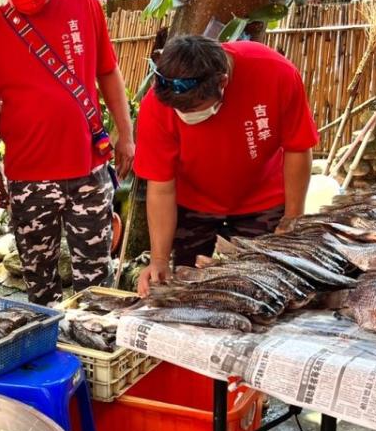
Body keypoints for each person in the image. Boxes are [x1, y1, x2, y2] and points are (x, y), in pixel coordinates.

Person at [0, 0, 134, 307]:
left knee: (96, 282)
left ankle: (95, 357)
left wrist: (126, 133)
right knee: (38, 282)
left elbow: (108, 72)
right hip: (29, 176)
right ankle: (48, 357)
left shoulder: (83, 3)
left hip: (89, 169)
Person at [134, 35, 318, 296]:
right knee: (188, 289)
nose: (185, 117)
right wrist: (160, 259)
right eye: (179, 110)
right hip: (193, 202)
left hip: (262, 198)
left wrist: (292, 217)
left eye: (194, 109)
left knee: (263, 285)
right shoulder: (158, 103)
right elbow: (161, 186)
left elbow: (298, 147)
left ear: (223, 82)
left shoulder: (275, 73)